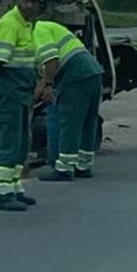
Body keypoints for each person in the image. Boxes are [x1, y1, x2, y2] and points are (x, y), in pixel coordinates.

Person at [0, 0, 44, 212]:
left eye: (34, 2)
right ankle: (2, 194)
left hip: (20, 92)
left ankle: (14, 188)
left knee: (21, 144)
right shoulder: (10, 23)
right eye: (26, 0)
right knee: (9, 142)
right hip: (9, 91)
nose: (30, 5)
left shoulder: (26, 25)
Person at [33, 20, 104, 181]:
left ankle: (64, 169)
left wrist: (48, 86)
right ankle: (83, 166)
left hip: (75, 73)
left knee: (69, 120)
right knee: (88, 121)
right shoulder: (48, 27)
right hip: (92, 70)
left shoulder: (37, 31)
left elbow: (51, 60)